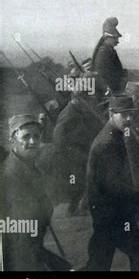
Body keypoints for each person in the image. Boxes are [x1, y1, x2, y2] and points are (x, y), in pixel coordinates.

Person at [82, 94, 139, 271]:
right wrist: (138, 194)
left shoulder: (115, 134)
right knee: (108, 260)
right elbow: (111, 185)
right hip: (110, 213)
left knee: (104, 259)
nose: (128, 119)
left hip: (112, 211)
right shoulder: (107, 143)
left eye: (131, 114)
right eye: (124, 114)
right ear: (111, 112)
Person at [2, 114, 71, 271]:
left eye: (36, 136)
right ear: (13, 141)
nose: (33, 141)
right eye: (26, 137)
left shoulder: (32, 169)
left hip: (32, 248)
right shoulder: (9, 176)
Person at [51, 88, 105, 216]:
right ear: (78, 99)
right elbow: (57, 136)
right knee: (79, 180)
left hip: (81, 151)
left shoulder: (78, 111)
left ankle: (80, 207)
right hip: (73, 153)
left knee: (88, 178)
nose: (89, 102)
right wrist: (66, 151)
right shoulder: (68, 113)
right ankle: (74, 208)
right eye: (86, 99)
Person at [92, 17, 127, 93]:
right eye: (115, 38)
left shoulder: (109, 51)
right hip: (109, 90)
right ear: (107, 38)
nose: (117, 41)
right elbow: (102, 73)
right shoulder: (104, 52)